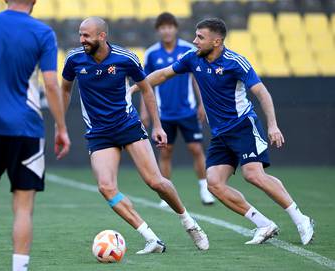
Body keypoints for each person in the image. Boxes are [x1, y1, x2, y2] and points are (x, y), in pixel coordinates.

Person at [129, 18, 314, 245]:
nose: (195, 41)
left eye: (200, 37)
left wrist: (273, 125)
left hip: (243, 126)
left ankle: (301, 219)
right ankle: (264, 224)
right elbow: (163, 74)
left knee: (253, 174)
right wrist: (134, 88)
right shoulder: (192, 58)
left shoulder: (236, 62)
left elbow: (262, 93)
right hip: (220, 134)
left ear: (217, 41)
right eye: (195, 36)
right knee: (214, 183)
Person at [61, 17, 209, 254]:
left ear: (102, 36)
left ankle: (189, 222)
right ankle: (151, 238)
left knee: (155, 182)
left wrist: (158, 126)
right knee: (106, 187)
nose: (82, 40)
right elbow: (65, 89)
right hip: (99, 132)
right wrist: (60, 125)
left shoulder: (125, 58)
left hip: (127, 125)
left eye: (86, 36)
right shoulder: (74, 59)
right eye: (80, 35)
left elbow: (147, 89)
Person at [0, 1, 70, 270]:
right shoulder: (42, 33)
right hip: (26, 129)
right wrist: (61, 127)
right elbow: (51, 84)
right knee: (22, 205)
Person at [142, 12, 215, 207]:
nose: (167, 30)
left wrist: (202, 104)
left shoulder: (189, 49)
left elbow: (197, 78)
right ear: (158, 30)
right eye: (163, 27)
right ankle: (167, 194)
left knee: (196, 149)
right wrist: (144, 111)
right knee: (165, 152)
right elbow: (145, 84)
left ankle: (205, 188)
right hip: (163, 113)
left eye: (170, 26)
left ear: (175, 28)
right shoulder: (151, 54)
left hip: (188, 111)